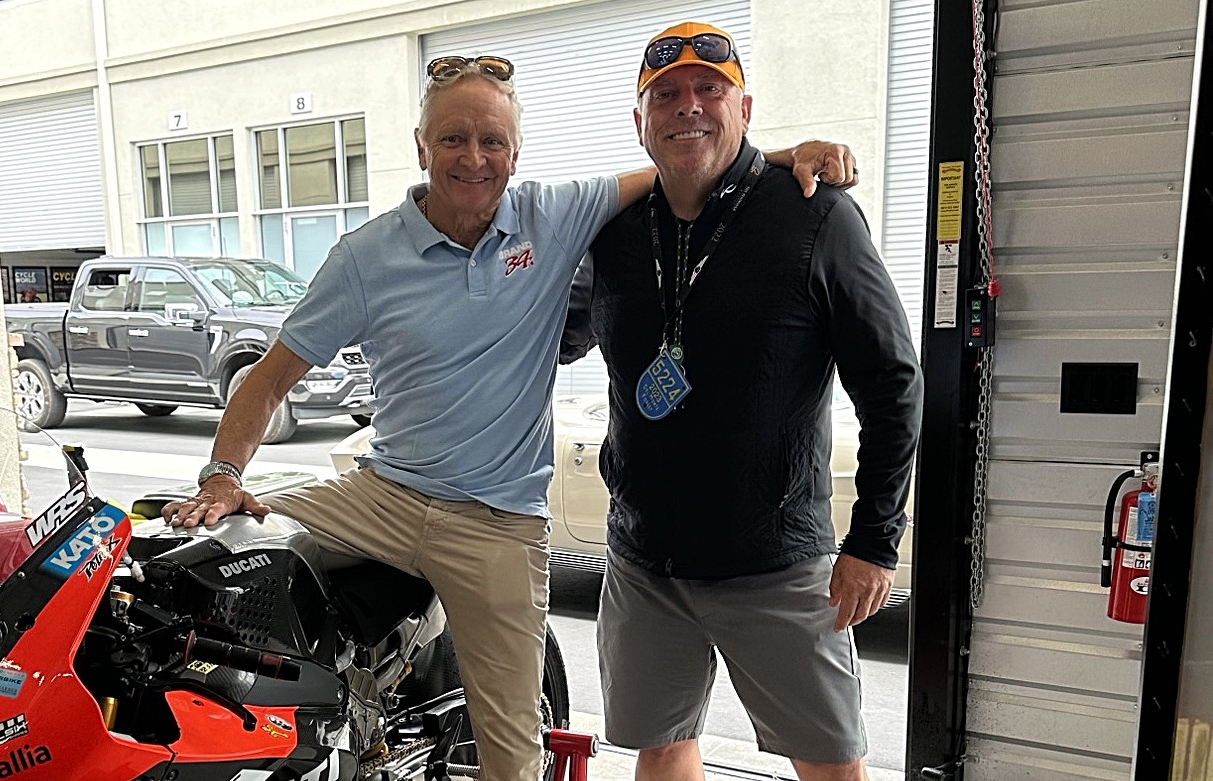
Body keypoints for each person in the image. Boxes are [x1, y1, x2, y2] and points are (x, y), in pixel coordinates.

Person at [163, 53, 855, 781]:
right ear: (421, 147)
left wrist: (780, 157)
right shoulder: (365, 258)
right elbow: (268, 379)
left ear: (515, 155)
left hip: (495, 523)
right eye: (454, 139)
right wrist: (221, 475)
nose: (474, 158)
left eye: (492, 141)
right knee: (213, 555)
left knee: (512, 757)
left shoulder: (551, 216)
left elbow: (684, 166)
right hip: (378, 496)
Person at [560, 21, 924, 781]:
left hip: (777, 565)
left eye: (708, 90)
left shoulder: (815, 217)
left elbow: (893, 381)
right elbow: (556, 336)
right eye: (665, 94)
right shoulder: (617, 231)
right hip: (645, 562)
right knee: (660, 749)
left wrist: (874, 541)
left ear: (745, 109)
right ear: (639, 121)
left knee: (830, 763)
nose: (687, 106)